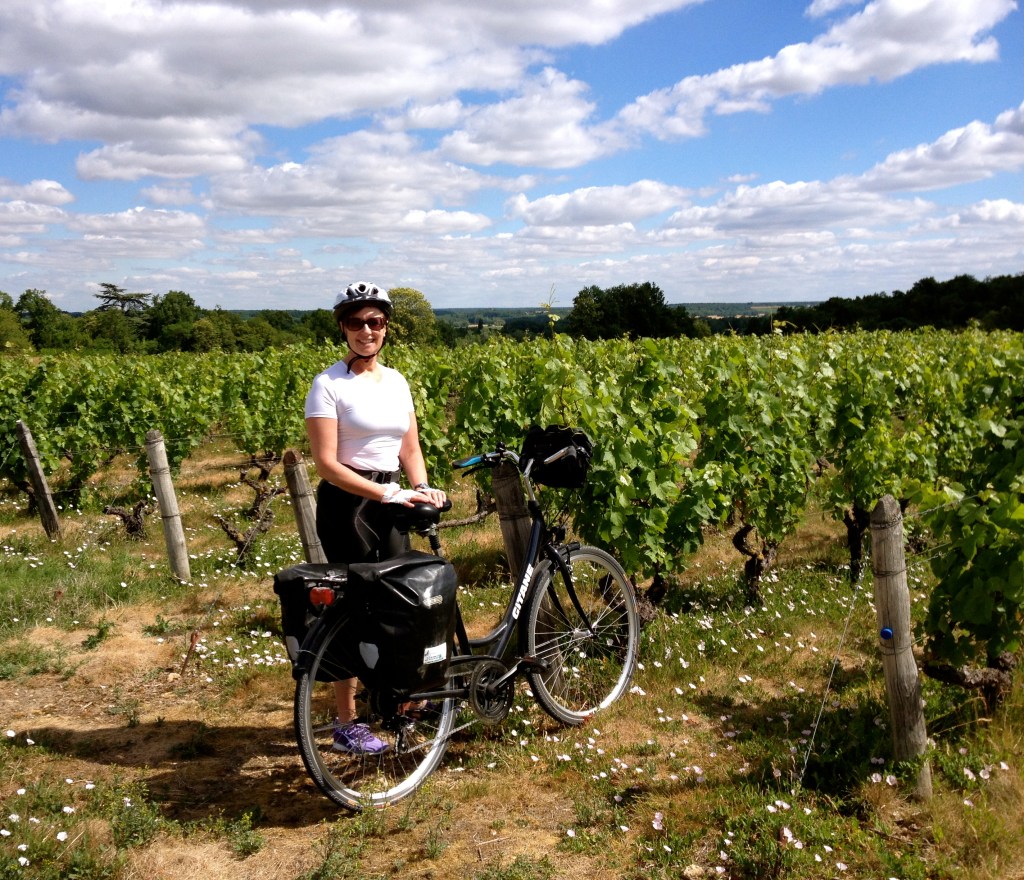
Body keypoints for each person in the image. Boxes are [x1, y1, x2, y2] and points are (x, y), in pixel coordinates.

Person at [304, 282, 447, 754]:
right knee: (351, 611)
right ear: (343, 328)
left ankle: (400, 702)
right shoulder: (328, 385)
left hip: (394, 500)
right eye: (356, 322)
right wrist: (388, 492)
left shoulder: (398, 381)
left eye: (375, 322)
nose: (367, 330)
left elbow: (410, 446)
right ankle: (345, 721)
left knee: (401, 606)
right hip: (351, 505)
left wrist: (420, 485)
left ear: (386, 328)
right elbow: (327, 464)